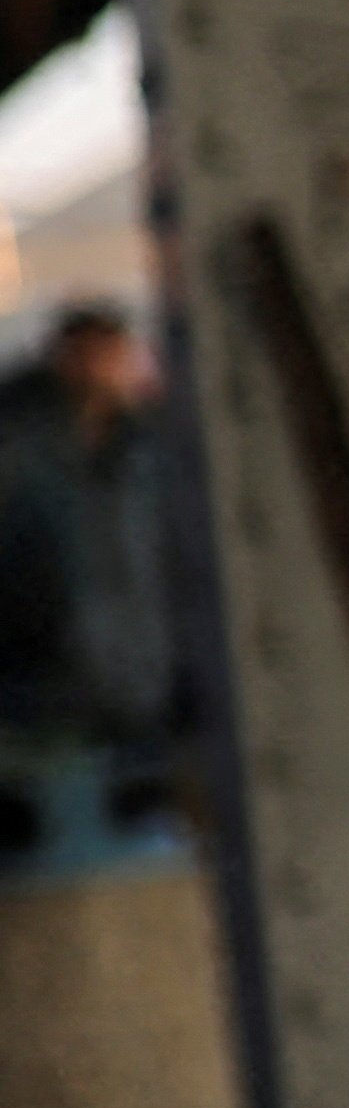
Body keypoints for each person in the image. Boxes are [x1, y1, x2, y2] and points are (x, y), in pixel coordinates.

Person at [0, 304, 181, 847]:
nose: (102, 370)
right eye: (88, 355)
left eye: (112, 355)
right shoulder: (19, 459)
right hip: (42, 708)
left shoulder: (149, 455)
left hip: (139, 698)